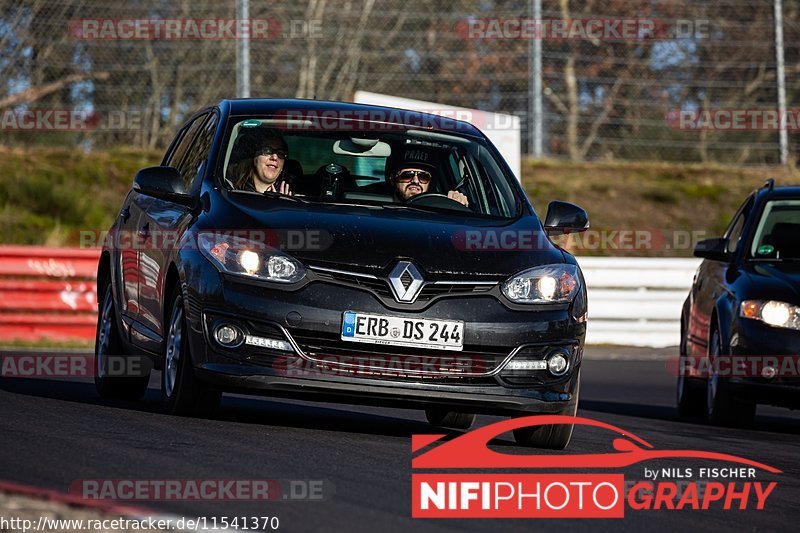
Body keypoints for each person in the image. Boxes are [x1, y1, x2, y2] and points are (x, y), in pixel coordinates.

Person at [386, 145, 468, 207]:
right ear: (393, 179)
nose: (416, 181)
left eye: (423, 176)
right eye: (407, 175)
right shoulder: (378, 207)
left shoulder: (439, 207)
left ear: (430, 181)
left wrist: (456, 203)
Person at [229, 129, 293, 194]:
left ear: (282, 167)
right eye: (267, 151)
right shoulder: (231, 190)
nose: (274, 157)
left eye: (280, 153)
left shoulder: (295, 200)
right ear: (254, 158)